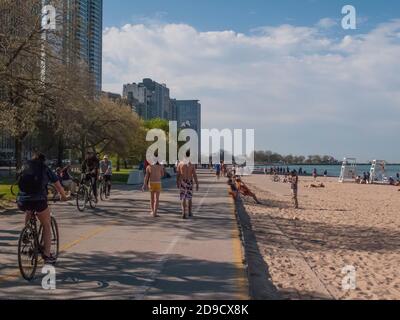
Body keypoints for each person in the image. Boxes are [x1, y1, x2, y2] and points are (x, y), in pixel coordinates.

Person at [17, 152, 67, 265]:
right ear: (43, 160)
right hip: (39, 200)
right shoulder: (45, 168)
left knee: (29, 210)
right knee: (46, 224)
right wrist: (63, 196)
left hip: (23, 200)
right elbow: (58, 186)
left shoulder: (25, 166)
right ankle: (47, 255)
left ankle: (27, 232)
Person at [177, 151, 199, 219]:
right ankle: (189, 212)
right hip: (189, 181)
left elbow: (178, 174)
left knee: (183, 197)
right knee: (189, 198)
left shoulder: (180, 164)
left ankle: (184, 212)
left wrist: (177, 182)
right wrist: (197, 183)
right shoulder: (192, 164)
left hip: (183, 181)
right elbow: (194, 175)